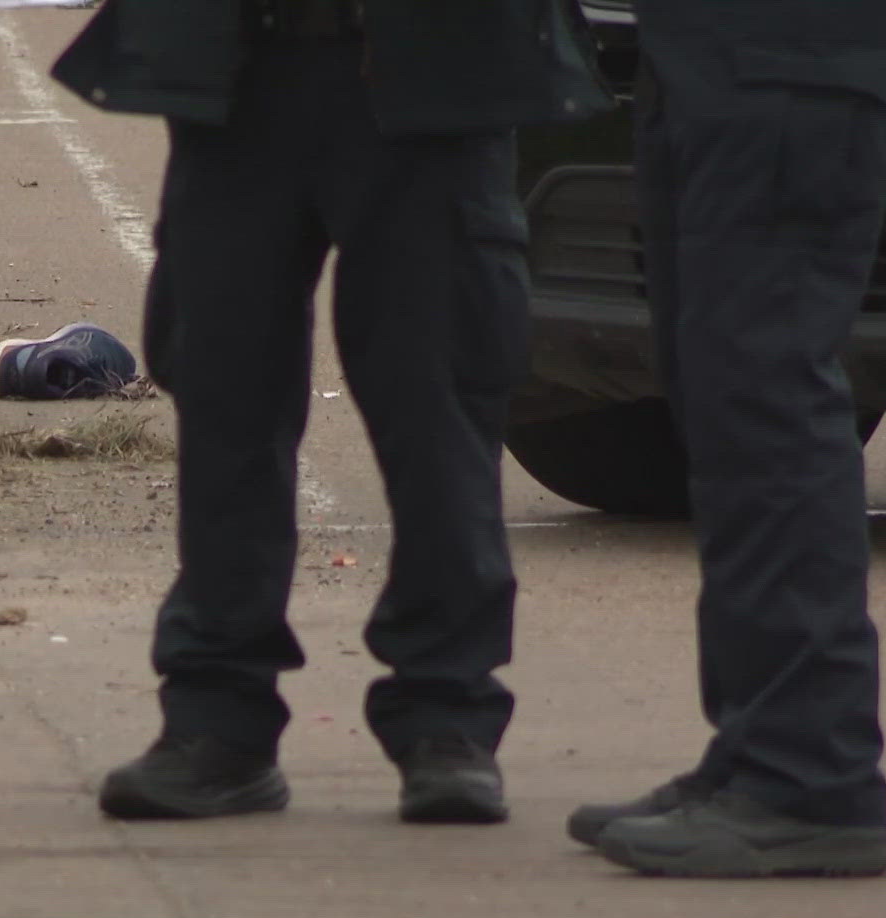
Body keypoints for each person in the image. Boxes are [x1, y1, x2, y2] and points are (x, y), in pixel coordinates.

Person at [51, 1, 611, 823]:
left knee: (439, 402)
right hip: (241, 58)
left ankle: (446, 718)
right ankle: (217, 722)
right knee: (225, 391)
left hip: (436, 70)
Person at [567, 0, 886, 876]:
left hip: (794, 47)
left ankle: (810, 778)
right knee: (719, 392)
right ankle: (756, 750)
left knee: (764, 384)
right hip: (716, 48)